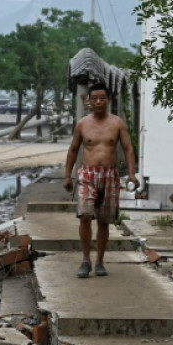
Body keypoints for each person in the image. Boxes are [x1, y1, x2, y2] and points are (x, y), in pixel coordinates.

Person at [63, 82, 137, 278]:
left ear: (108, 100)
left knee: (104, 221)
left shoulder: (117, 123)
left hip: (109, 175)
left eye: (101, 98)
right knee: (85, 215)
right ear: (88, 101)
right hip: (87, 174)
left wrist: (131, 173)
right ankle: (85, 260)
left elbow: (128, 148)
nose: (98, 102)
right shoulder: (82, 124)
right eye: (94, 98)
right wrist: (67, 175)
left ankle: (100, 261)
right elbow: (73, 149)